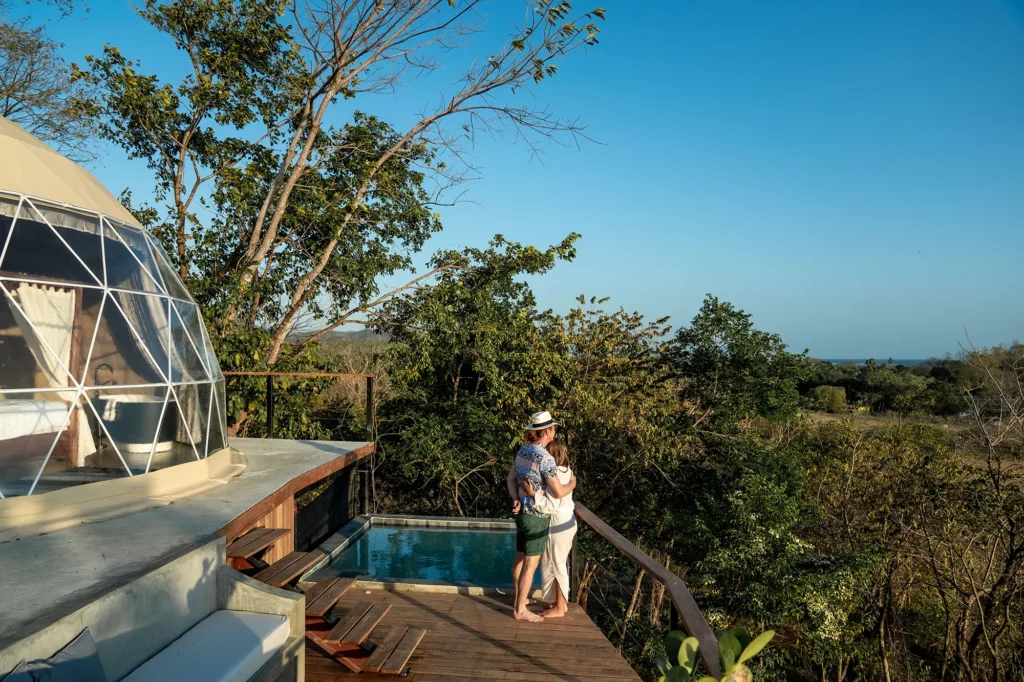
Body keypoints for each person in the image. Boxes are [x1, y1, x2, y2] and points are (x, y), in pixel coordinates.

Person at [506, 411, 575, 622]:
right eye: (553, 428)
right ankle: (520, 610)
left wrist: (516, 499)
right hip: (536, 517)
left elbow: (510, 479)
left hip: (522, 515)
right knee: (530, 564)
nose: (554, 431)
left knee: (519, 559)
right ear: (547, 431)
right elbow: (559, 492)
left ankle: (521, 599)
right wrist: (573, 482)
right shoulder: (545, 459)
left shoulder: (522, 452)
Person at [524, 439, 576, 618]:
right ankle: (559, 603)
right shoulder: (566, 471)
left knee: (557, 563)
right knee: (557, 562)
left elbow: (551, 505)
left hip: (559, 524)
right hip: (564, 521)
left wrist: (533, 496)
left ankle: (560, 608)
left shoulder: (557, 475)